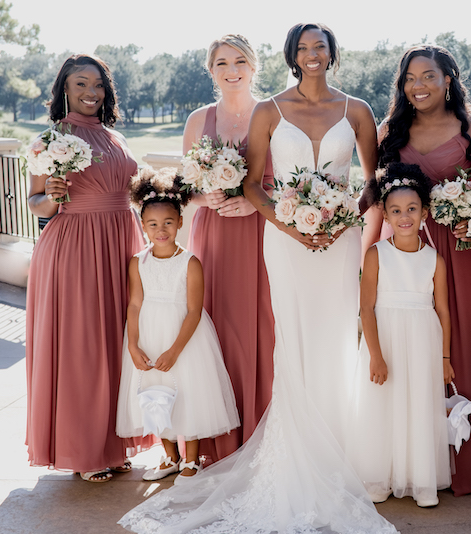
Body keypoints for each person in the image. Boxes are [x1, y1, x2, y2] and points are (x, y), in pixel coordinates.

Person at [120, 23, 396, 533]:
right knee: (288, 339)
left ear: (333, 54)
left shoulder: (357, 109)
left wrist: (342, 221)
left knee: (336, 339)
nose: (312, 54)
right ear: (291, 55)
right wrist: (292, 225)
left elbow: (373, 182)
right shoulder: (270, 109)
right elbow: (251, 185)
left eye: (321, 46)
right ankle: (295, 453)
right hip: (285, 244)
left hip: (338, 246)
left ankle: (343, 450)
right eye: (303, 47)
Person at [376, 45, 471, 496]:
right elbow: (377, 197)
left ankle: (468, 461)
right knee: (407, 351)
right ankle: (413, 459)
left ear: (448, 79)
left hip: (460, 256)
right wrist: (372, 255)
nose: (419, 85)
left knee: (463, 343)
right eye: (410, 78)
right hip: (405, 256)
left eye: (428, 76)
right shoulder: (390, 131)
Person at [26, 54, 149, 482]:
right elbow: (35, 201)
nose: (91, 92)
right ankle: (84, 450)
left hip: (121, 243)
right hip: (75, 248)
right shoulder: (50, 137)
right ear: (64, 87)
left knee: (118, 343)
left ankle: (113, 444)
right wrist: (54, 196)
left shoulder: (116, 137)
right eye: (81, 84)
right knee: (83, 348)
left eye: (98, 84)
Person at [115, 168, 240, 484]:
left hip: (184, 340)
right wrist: (132, 344)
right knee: (154, 394)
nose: (161, 230)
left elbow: (195, 311)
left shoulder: (190, 263)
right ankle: (169, 455)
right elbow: (134, 304)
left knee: (187, 392)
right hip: (149, 336)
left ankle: (191, 457)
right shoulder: (137, 262)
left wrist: (175, 350)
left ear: (180, 223)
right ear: (143, 226)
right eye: (153, 224)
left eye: (168, 223)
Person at [183, 35, 275, 463]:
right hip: (214, 236)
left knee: (264, 325)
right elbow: (186, 186)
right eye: (222, 62)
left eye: (240, 60)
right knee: (215, 327)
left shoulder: (274, 112)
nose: (232, 69)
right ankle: (216, 440)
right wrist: (209, 198)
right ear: (211, 70)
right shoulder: (198, 119)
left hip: (263, 234)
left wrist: (253, 201)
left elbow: (290, 180)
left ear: (254, 66)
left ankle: (266, 433)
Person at [347, 162, 454, 507]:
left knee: (419, 405)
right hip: (386, 340)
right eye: (396, 210)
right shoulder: (377, 254)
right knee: (384, 404)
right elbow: (366, 308)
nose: (404, 216)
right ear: (386, 215)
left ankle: (421, 480)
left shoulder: (435, 259)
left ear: (425, 213)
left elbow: (443, 311)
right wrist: (375, 355)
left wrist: (445, 358)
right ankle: (380, 476)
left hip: (424, 342)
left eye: (411, 209)